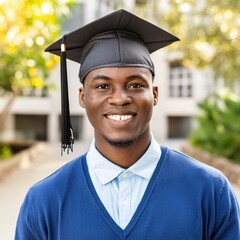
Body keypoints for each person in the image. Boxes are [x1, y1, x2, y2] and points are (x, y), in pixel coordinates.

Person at [15, 9, 240, 240]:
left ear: (154, 94)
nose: (120, 98)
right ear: (82, 97)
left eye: (135, 85)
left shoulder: (210, 192)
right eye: (103, 86)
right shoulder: (44, 202)